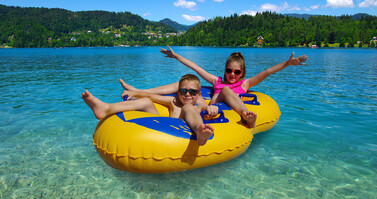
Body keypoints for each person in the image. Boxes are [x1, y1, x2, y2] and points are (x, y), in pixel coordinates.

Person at [120, 46, 308, 128]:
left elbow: (266, 72)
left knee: (227, 90)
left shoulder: (245, 83)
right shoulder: (216, 81)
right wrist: (177, 57)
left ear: (242, 73)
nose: (232, 75)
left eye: (236, 72)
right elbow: (195, 67)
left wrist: (287, 63)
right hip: (213, 102)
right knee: (182, 84)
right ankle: (137, 91)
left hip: (228, 106)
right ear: (225, 70)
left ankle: (246, 116)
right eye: (229, 71)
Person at [82, 74, 218, 146]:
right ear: (178, 92)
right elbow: (151, 96)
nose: (187, 95)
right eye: (183, 91)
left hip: (182, 133)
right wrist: (135, 93)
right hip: (163, 127)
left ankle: (199, 134)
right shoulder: (173, 101)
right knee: (146, 102)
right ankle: (106, 108)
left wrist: (212, 108)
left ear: (199, 94)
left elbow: (208, 108)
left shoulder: (197, 106)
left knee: (188, 107)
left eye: (192, 92)